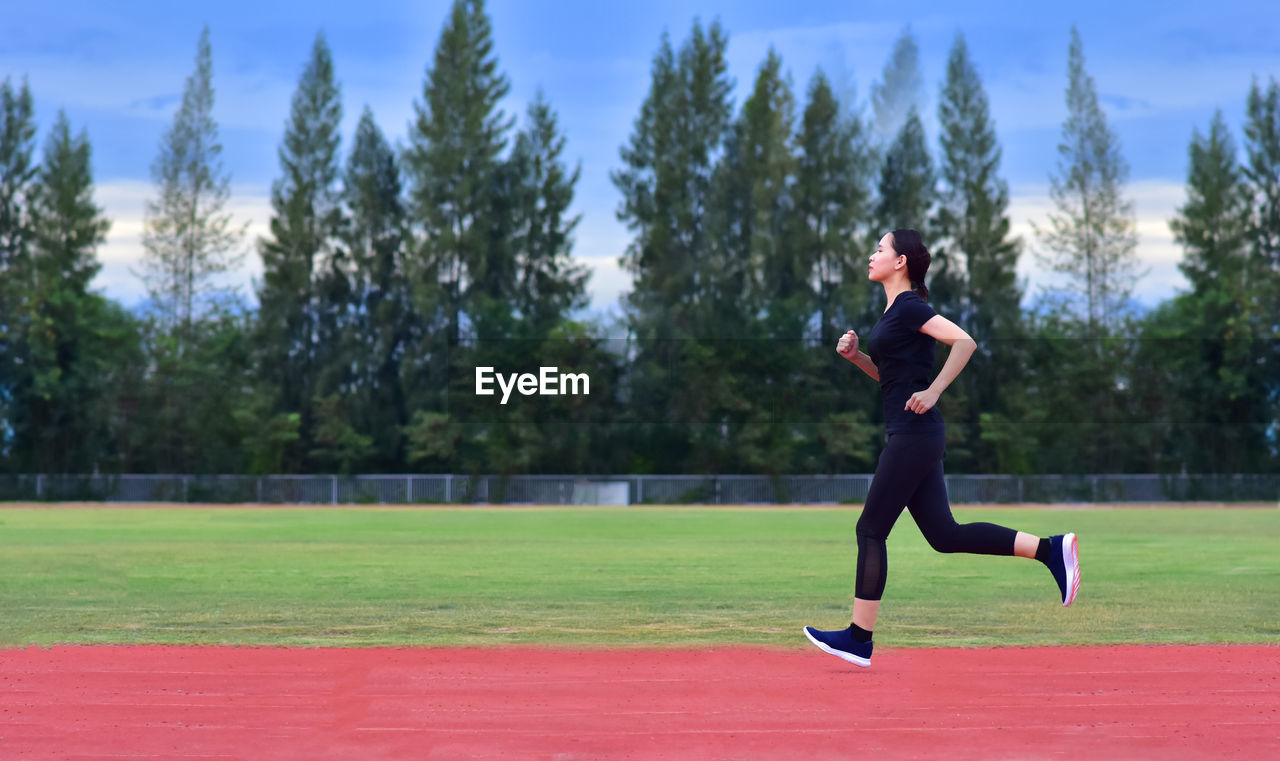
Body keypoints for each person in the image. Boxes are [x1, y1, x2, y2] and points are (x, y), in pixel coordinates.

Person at [803, 229, 1080, 668]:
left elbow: (964, 342)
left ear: (901, 262)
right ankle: (1050, 550)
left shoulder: (911, 306)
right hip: (914, 433)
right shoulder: (895, 311)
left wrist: (934, 391)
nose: (872, 254)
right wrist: (858, 358)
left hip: (914, 435)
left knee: (870, 530)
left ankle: (859, 638)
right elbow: (895, 382)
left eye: (880, 248)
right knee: (944, 535)